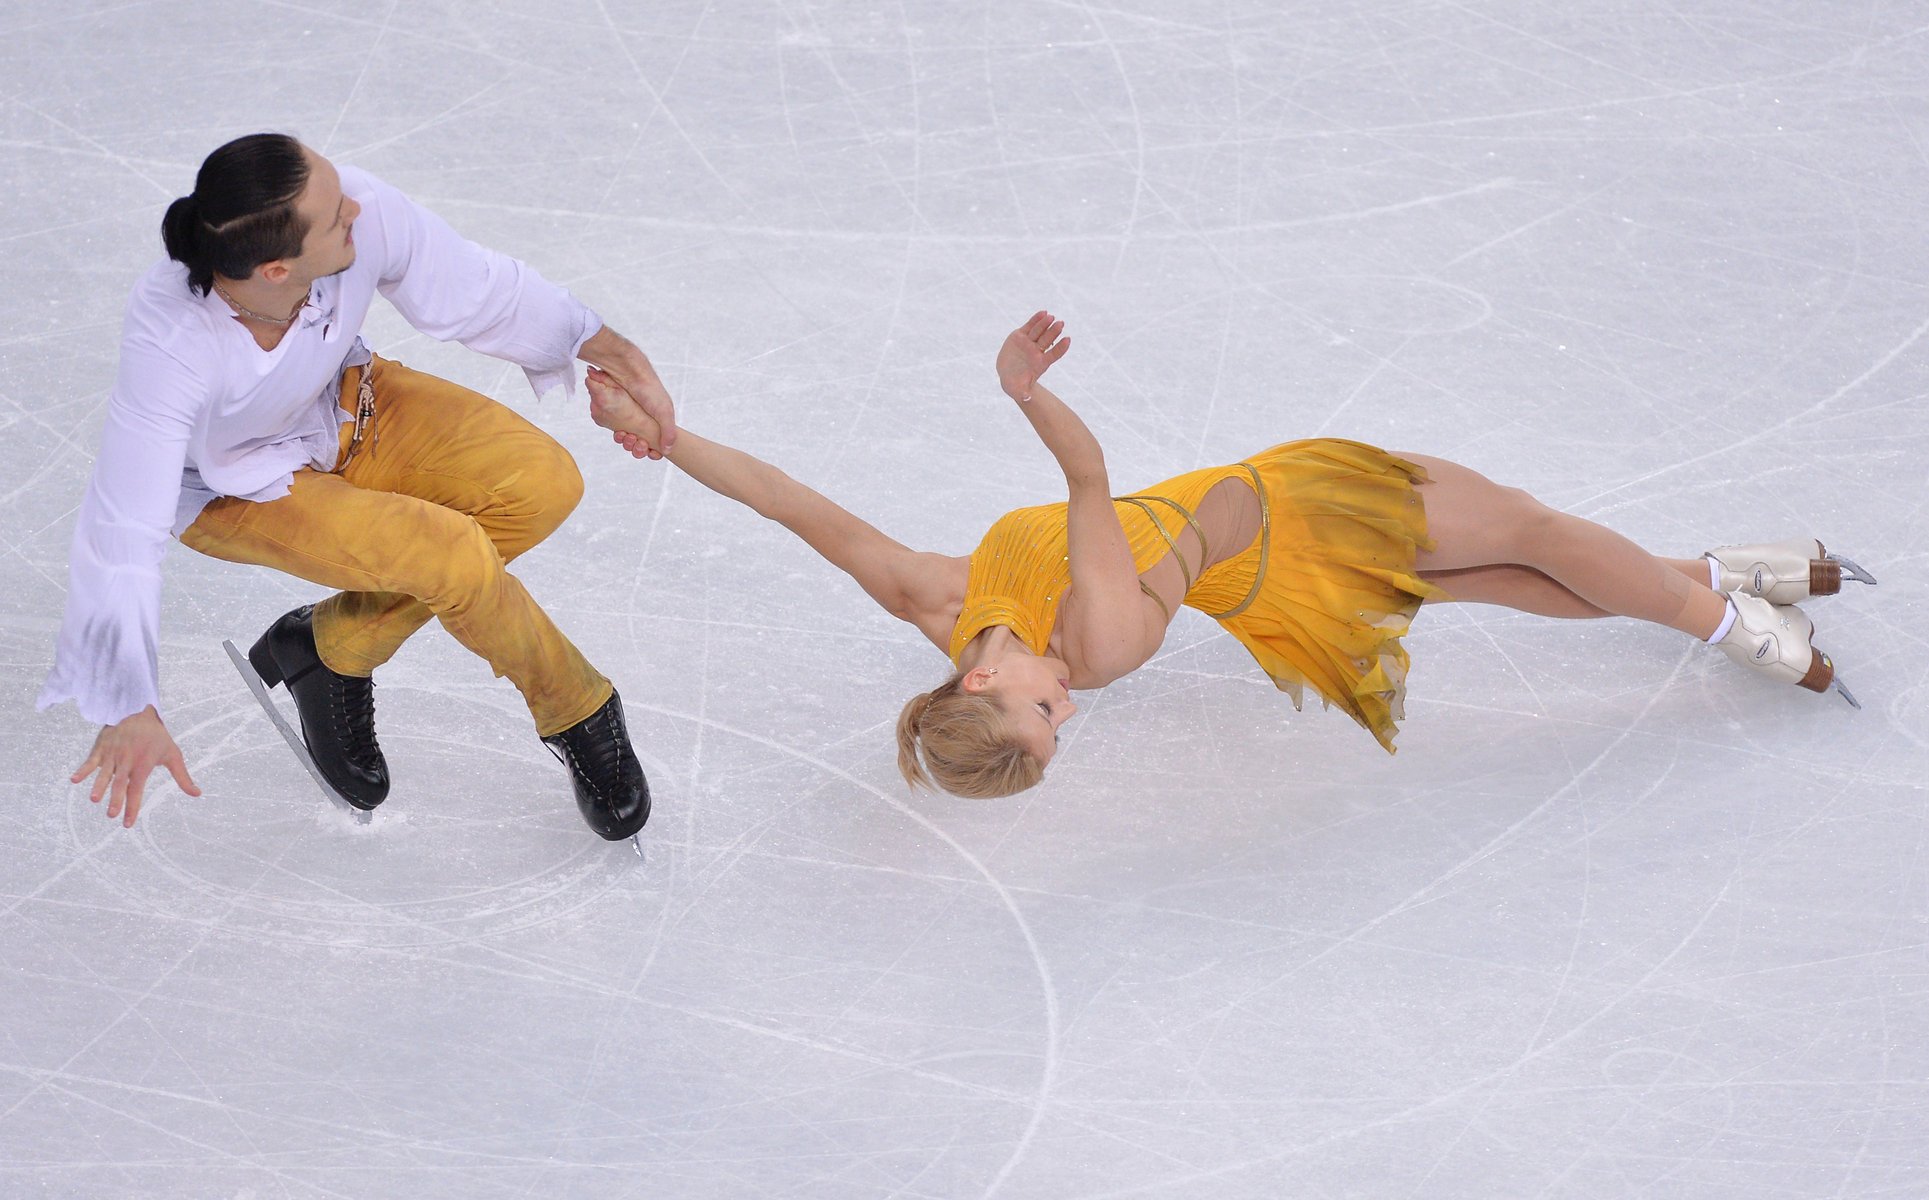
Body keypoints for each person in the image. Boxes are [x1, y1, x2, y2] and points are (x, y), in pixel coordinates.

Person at [583, 311, 1871, 799]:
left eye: (1041, 715)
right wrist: (1022, 394)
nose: (1071, 706)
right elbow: (1087, 478)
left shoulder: (939, 603)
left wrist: (674, 437)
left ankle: (1727, 572)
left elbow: (803, 512)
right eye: (1059, 731)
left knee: (1523, 583)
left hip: (1273, 571)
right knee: (1531, 532)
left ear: (973, 680)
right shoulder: (1099, 638)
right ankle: (1739, 626)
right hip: (1300, 513)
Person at [41, 132, 679, 839]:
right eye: (334, 213)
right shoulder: (170, 343)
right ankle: (578, 709)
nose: (354, 206)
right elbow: (120, 530)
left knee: (541, 483)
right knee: (449, 554)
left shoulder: (358, 210)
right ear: (278, 269)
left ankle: (329, 649)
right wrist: (128, 706)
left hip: (350, 406)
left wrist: (614, 350)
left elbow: (479, 289)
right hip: (238, 490)